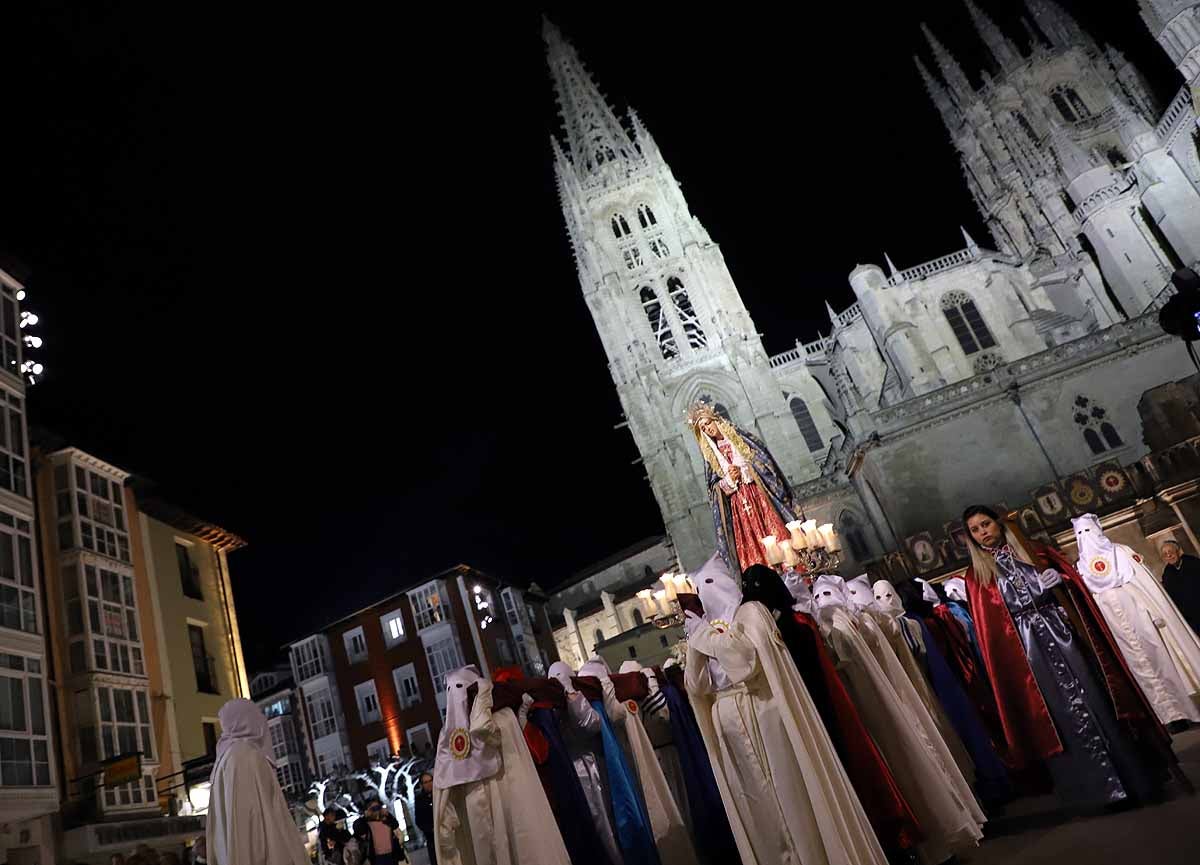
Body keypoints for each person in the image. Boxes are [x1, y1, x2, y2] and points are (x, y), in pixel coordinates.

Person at [962, 505, 1175, 810]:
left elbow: (1074, 587)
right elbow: (992, 631)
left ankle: (1136, 779)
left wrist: (1062, 579)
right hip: (1029, 653)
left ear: (997, 523)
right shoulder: (976, 577)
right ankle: (1097, 793)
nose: (983, 532)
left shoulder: (1033, 551)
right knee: (1061, 718)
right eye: (975, 529)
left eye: (986, 524)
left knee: (1096, 700)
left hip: (1064, 636)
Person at [684, 554, 890, 865]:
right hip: (728, 721)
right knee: (760, 806)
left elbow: (744, 663)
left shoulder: (750, 614)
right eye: (699, 589)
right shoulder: (702, 630)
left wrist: (704, 636)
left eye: (709, 585)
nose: (704, 594)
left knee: (790, 795)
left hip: (764, 711)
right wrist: (694, 645)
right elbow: (696, 686)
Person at [432, 666, 571, 865]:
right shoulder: (447, 736)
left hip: (509, 807)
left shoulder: (503, 719)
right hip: (475, 818)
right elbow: (443, 792)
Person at [1073, 515, 1200, 728]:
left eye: (1089, 531)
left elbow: (1145, 585)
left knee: (1162, 663)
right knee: (1140, 671)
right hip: (1115, 628)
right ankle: (1166, 718)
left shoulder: (1121, 552)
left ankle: (1186, 710)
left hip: (1141, 618)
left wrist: (1153, 611)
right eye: (1080, 534)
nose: (1086, 538)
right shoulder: (1080, 567)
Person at [686, 401, 796, 572]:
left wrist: (744, 468)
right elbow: (714, 489)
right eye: (703, 429)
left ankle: (793, 571)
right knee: (750, 544)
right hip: (738, 505)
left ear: (715, 419)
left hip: (758, 494)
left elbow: (763, 461)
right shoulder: (711, 459)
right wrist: (728, 480)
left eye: (708, 423)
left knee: (776, 534)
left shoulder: (740, 439)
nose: (708, 429)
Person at [206, 699, 309, 865]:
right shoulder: (245, 756)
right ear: (245, 720)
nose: (262, 720)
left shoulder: (227, 757)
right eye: (257, 715)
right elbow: (253, 820)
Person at [1161, 539, 1200, 636]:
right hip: (1191, 619)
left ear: (1179, 552)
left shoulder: (1194, 563)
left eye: (1170, 552)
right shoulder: (1167, 573)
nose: (1168, 556)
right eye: (1165, 554)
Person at [352, 799, 406, 865]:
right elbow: (357, 828)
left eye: (378, 808)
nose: (376, 811)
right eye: (373, 809)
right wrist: (364, 817)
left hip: (392, 855)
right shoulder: (366, 824)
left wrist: (388, 814)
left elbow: (395, 825)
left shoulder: (386, 820)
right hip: (377, 857)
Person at [413, 773, 436, 865]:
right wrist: (430, 829)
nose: (429, 784)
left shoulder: (439, 794)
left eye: (430, 781)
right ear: (421, 785)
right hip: (432, 838)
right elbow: (419, 820)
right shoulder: (419, 799)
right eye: (426, 782)